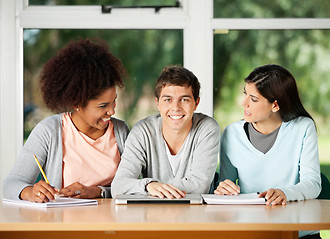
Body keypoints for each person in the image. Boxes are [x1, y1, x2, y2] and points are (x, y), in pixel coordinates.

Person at [3, 38, 129, 202]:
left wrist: (98, 191)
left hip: (112, 224)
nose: (112, 111)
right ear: (76, 103)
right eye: (103, 105)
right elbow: (10, 184)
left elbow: (132, 186)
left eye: (114, 101)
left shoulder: (120, 131)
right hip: (64, 222)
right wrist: (30, 192)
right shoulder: (49, 130)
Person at [215, 64, 321, 239]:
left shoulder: (303, 128)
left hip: (298, 233)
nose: (244, 103)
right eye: (245, 94)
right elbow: (226, 183)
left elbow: (313, 183)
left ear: (275, 105)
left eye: (253, 99)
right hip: (250, 232)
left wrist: (285, 193)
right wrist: (223, 189)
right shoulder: (231, 133)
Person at [111, 65, 221, 199]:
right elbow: (118, 186)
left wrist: (155, 190)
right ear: (157, 103)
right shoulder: (143, 131)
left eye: (184, 99)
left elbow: (199, 186)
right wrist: (148, 186)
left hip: (196, 214)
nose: (176, 108)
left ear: (196, 103)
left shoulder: (207, 128)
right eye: (168, 100)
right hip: (154, 216)